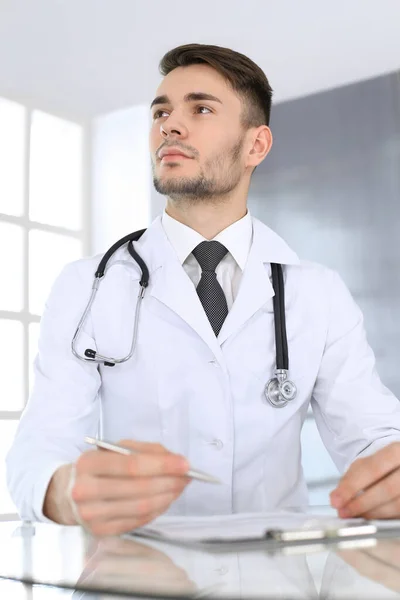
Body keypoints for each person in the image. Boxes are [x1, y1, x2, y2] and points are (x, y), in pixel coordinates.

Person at [6, 43, 400, 537]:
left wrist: (389, 473)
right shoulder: (86, 286)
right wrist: (63, 491)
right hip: (135, 576)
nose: (169, 124)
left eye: (201, 108)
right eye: (161, 111)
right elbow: (39, 448)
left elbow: (374, 437)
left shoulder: (318, 293)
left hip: (276, 578)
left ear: (256, 145)